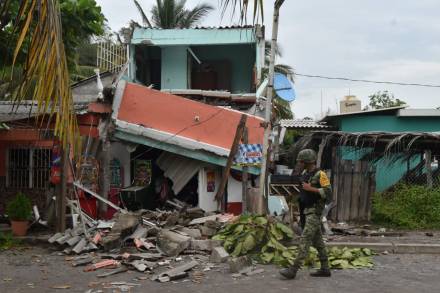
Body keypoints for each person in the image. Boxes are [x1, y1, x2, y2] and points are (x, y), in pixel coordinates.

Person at [280, 149, 332, 280]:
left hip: (315, 212)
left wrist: (312, 189)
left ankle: (293, 270)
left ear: (307, 161)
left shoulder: (321, 174)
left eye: (301, 161)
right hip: (306, 211)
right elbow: (303, 192)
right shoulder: (305, 173)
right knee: (318, 242)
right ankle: (325, 269)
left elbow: (329, 193)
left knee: (305, 240)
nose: (299, 164)